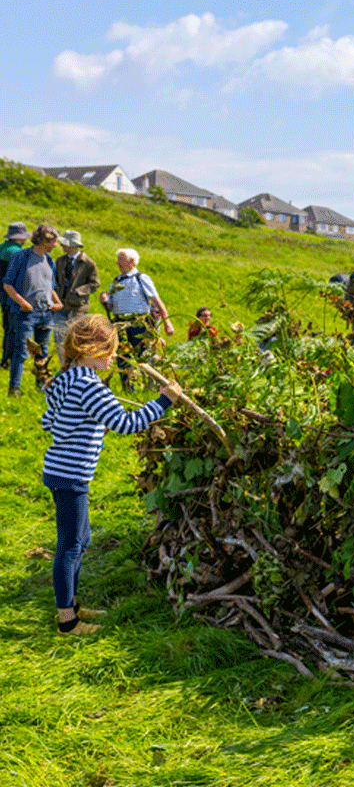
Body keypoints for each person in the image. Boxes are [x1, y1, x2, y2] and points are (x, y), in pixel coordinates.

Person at [42, 314, 181, 635]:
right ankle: (67, 621)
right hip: (70, 474)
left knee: (81, 539)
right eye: (111, 349)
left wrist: (83, 424)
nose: (115, 355)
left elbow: (49, 423)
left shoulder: (64, 380)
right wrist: (164, 400)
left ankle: (72, 603)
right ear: (90, 349)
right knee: (70, 544)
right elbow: (127, 424)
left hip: (60, 469)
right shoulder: (90, 387)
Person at [99, 248, 175, 391]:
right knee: (122, 357)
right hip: (120, 324)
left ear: (132, 261)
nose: (117, 262)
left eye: (121, 259)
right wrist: (104, 301)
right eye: (118, 259)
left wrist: (167, 323)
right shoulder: (116, 281)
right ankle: (128, 389)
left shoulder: (141, 278)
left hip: (139, 323)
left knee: (145, 356)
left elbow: (157, 301)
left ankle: (152, 388)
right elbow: (110, 307)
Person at [4, 224, 63, 396]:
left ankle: (41, 388)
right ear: (44, 240)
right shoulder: (20, 257)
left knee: (42, 353)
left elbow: (49, 288)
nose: (56, 246)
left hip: (46, 313)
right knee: (22, 352)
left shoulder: (49, 260)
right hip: (25, 314)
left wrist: (58, 302)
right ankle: (14, 389)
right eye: (54, 242)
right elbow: (7, 284)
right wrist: (22, 303)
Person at [52, 230, 101, 366]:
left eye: (65, 244)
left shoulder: (88, 263)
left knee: (75, 339)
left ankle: (76, 367)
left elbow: (95, 283)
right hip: (61, 306)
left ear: (73, 246)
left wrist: (79, 292)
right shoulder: (60, 260)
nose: (62, 246)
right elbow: (55, 280)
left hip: (78, 308)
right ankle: (65, 367)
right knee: (59, 338)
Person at [1, 221, 32, 370]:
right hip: (11, 293)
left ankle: (4, 359)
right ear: (20, 238)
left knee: (7, 326)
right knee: (13, 329)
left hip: (2, 293)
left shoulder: (2, 247)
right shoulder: (17, 252)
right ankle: (7, 360)